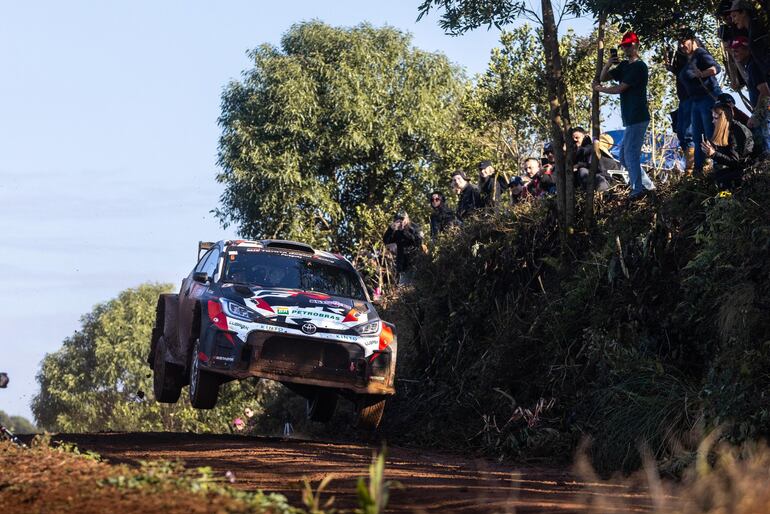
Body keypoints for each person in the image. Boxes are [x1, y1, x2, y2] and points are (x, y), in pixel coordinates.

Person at [594, 31, 655, 201]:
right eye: (624, 46)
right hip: (629, 118)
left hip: (638, 116)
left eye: (629, 45)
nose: (626, 48)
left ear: (636, 44)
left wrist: (600, 89)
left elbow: (620, 88)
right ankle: (647, 186)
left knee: (631, 154)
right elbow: (603, 77)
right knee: (623, 156)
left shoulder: (639, 66)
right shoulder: (624, 66)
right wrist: (607, 64)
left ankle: (638, 189)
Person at [677, 29, 723, 175]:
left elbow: (716, 68)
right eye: (679, 44)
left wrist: (703, 74)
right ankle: (698, 170)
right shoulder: (689, 58)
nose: (682, 46)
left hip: (707, 98)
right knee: (697, 137)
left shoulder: (700, 53)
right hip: (696, 101)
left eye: (684, 42)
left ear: (692, 40)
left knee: (711, 133)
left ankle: (720, 165)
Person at [730, 36, 770, 157]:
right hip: (763, 110)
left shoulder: (753, 66)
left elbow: (765, 91)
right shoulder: (750, 66)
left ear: (747, 49)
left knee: (766, 142)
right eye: (733, 50)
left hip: (765, 111)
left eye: (737, 50)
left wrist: (756, 114)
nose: (734, 53)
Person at [700, 101, 754, 189]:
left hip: (747, 169)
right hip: (738, 168)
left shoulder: (735, 132)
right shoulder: (728, 129)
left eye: (715, 118)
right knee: (711, 179)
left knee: (719, 182)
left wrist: (714, 154)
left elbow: (736, 162)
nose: (713, 121)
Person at [663, 41, 695, 172]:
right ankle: (690, 166)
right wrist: (671, 67)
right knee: (681, 132)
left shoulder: (694, 50)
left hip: (691, 96)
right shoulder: (679, 51)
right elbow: (681, 72)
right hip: (683, 97)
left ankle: (692, 168)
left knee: (688, 133)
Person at [382, 211, 423, 281]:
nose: (400, 222)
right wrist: (390, 229)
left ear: (406, 219)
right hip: (401, 263)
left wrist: (407, 230)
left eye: (402, 219)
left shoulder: (414, 227)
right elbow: (386, 241)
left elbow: (418, 241)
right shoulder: (395, 231)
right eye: (398, 220)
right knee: (403, 284)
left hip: (415, 261)